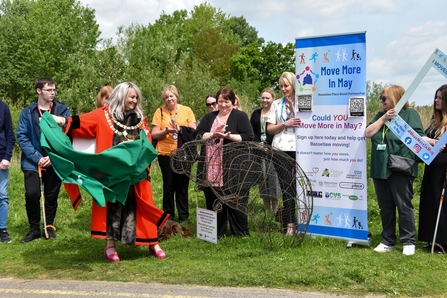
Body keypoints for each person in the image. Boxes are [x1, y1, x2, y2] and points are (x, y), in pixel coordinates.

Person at [51, 82, 169, 261]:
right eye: (131, 97)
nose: (134, 101)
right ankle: (110, 245)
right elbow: (80, 122)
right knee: (110, 208)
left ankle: (153, 243)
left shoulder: (140, 118)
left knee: (142, 205)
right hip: (111, 173)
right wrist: (57, 120)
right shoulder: (103, 115)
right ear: (122, 97)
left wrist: (131, 145)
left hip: (135, 172)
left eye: (136, 97)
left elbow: (147, 140)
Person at [365, 84, 425, 256]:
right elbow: (368, 133)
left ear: (396, 98)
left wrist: (433, 144)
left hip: (400, 167)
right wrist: (383, 118)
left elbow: (419, 138)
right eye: (381, 98)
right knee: (386, 207)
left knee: (404, 205)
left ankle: (408, 241)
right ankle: (388, 240)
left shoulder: (409, 114)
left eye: (385, 98)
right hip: (380, 167)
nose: (381, 101)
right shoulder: (379, 116)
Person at [194, 87, 254, 238]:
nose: (223, 104)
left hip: (233, 167)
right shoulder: (209, 118)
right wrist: (212, 134)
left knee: (235, 200)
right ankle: (214, 233)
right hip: (211, 166)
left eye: (226, 101)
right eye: (220, 101)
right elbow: (197, 135)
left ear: (233, 102)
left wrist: (230, 137)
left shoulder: (240, 116)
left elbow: (248, 136)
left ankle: (239, 233)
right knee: (214, 199)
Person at [17, 77, 70, 242]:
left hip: (54, 159)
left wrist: (52, 156)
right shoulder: (27, 112)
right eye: (49, 90)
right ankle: (34, 229)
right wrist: (37, 158)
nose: (52, 93)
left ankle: (49, 226)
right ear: (39, 91)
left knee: (51, 194)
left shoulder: (62, 110)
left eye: (54, 90)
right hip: (32, 162)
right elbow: (22, 137)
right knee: (32, 193)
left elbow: (68, 133)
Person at [151, 85, 196, 223]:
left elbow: (193, 130)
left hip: (183, 154)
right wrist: (166, 131)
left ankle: (184, 216)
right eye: (166, 97)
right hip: (165, 154)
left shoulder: (187, 110)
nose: (169, 99)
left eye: (171, 96)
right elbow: (154, 133)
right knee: (168, 185)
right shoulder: (159, 112)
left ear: (176, 96)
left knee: (182, 185)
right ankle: (168, 216)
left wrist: (180, 129)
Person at [266, 72, 302, 235]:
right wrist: (285, 124)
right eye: (280, 86)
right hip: (280, 148)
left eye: (286, 86)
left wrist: (294, 110)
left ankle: (301, 220)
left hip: (299, 148)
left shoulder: (303, 101)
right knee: (286, 185)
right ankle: (289, 223)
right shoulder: (276, 104)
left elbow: (306, 123)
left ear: (293, 85)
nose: (283, 89)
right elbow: (270, 129)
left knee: (297, 186)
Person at [418, 84, 447, 253]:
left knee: (442, 206)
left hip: (444, 170)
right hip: (431, 170)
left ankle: (443, 242)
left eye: (440, 98)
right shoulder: (433, 123)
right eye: (436, 97)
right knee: (430, 203)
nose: (436, 100)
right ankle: (432, 239)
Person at [250, 88, 280, 213]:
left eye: (267, 98)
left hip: (273, 150)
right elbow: (251, 131)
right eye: (263, 98)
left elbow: (277, 129)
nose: (265, 100)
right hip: (259, 151)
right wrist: (258, 144)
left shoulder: (277, 113)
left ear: (273, 99)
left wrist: (267, 143)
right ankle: (266, 208)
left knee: (274, 179)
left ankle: (275, 209)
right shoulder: (256, 113)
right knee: (263, 179)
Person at [0, 100, 15, 243]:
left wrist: (7, 157)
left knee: (2, 195)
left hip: (1, 159)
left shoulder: (3, 107)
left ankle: (2, 230)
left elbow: (10, 135)